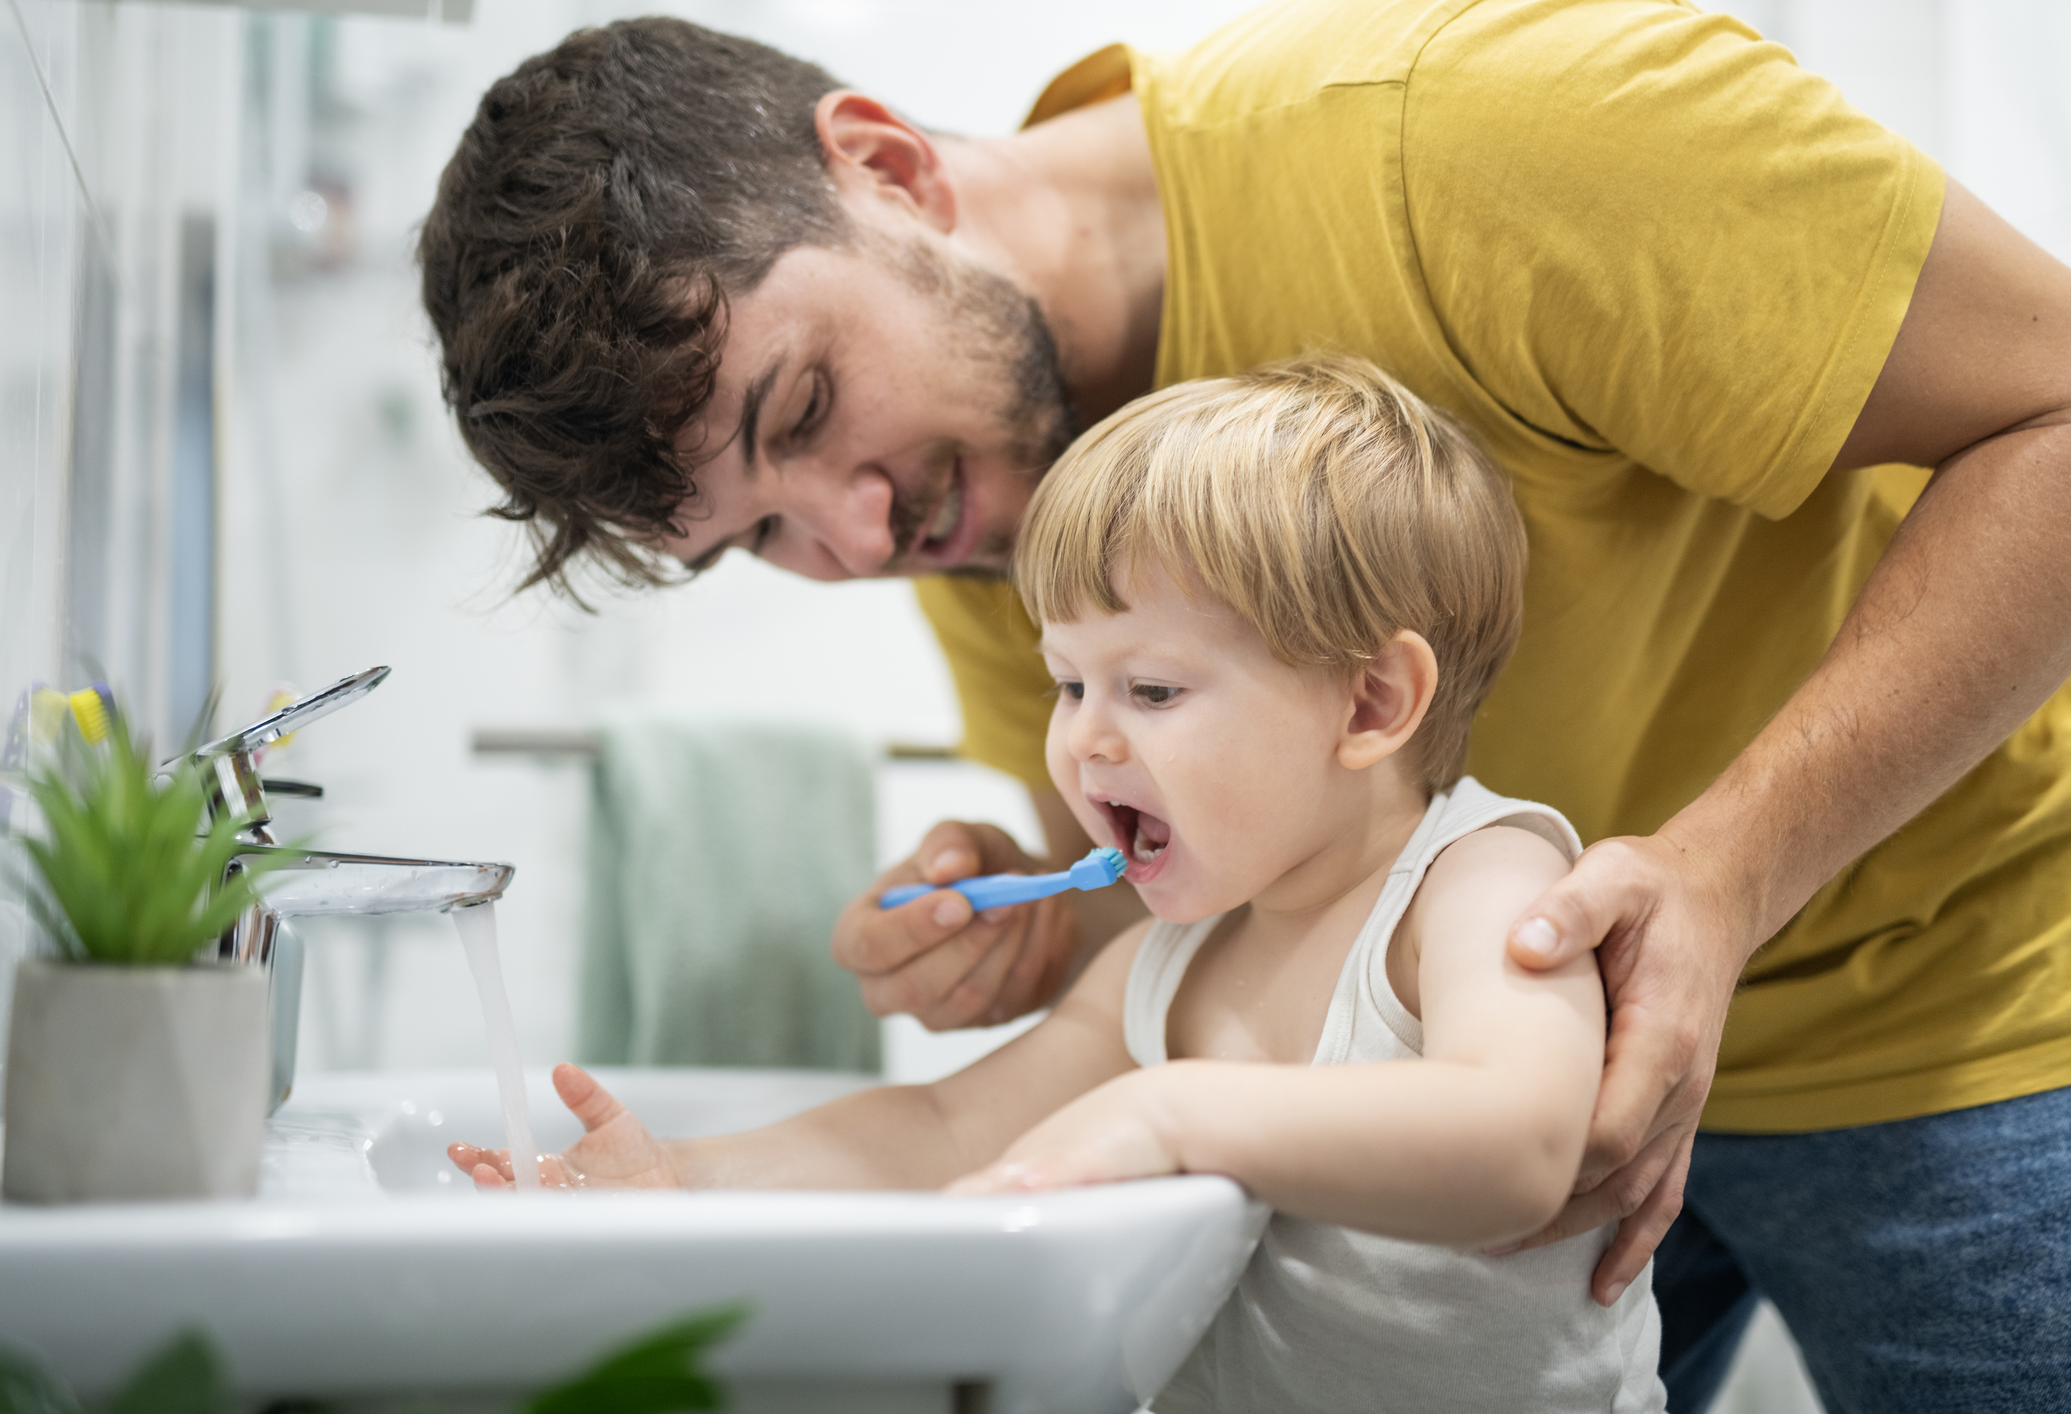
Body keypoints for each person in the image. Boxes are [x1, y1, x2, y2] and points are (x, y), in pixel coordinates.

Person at [419, 4, 2071, 1408]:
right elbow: (1195, 914)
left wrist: (1727, 870)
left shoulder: (1491, 144)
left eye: (808, 406)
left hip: (1970, 1004)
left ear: (895, 170)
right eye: (758, 535)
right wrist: (1043, 921)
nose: (856, 539)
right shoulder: (990, 508)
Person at [451, 358, 1668, 1413]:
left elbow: (1523, 1144)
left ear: (1369, 704)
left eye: (1149, 691)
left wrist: (1171, 1114)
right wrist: (688, 1175)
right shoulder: (1170, 954)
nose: (1083, 741)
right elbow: (943, 1129)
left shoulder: (1478, 882)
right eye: (1066, 683)